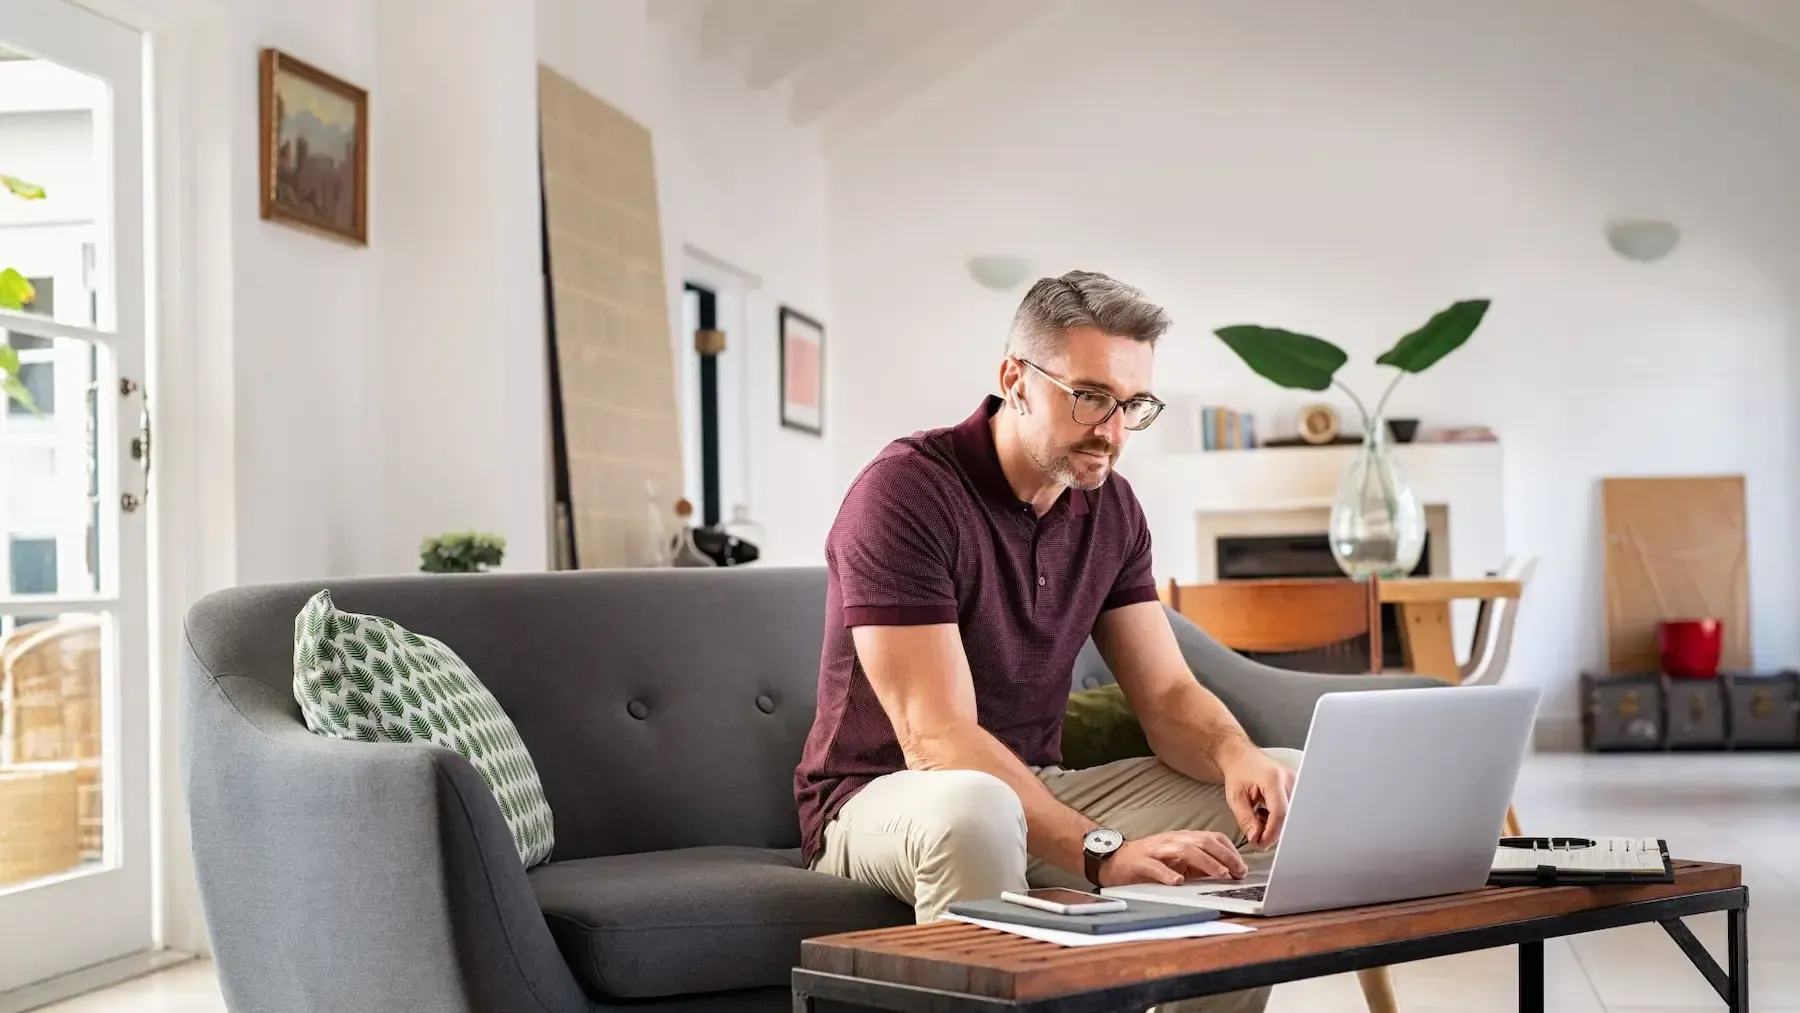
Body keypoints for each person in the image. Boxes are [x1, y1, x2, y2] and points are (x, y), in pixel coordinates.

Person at [794, 270, 1299, 1013]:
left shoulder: (1111, 510)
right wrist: (1101, 850)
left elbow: (1165, 694)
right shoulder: (904, 494)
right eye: (1090, 396)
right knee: (976, 808)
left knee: (1285, 789)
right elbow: (936, 736)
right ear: (1015, 379)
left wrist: (1236, 754)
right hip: (878, 799)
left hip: (1037, 785)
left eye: (1133, 405)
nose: (1114, 430)